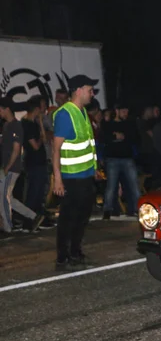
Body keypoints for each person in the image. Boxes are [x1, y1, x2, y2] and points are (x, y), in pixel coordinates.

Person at [52, 75, 101, 270]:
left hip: (86, 176)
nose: (92, 93)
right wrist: (58, 179)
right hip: (71, 178)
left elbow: (88, 145)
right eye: (90, 89)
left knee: (82, 217)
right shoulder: (65, 114)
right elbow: (55, 149)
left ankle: (75, 252)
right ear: (79, 90)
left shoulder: (82, 112)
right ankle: (62, 257)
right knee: (68, 218)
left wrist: (94, 170)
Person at [0, 97, 45, 233]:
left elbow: (16, 149)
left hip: (11, 168)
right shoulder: (7, 126)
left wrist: (7, 168)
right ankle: (34, 216)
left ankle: (7, 227)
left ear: (6, 109)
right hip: (6, 167)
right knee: (8, 198)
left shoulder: (16, 125)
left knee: (3, 197)